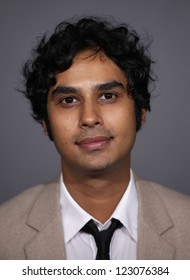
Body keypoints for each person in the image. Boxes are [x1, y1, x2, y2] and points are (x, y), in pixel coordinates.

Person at [0, 17, 190, 260]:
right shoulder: (4, 233)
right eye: (69, 100)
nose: (89, 117)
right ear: (45, 124)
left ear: (140, 113)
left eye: (108, 95)